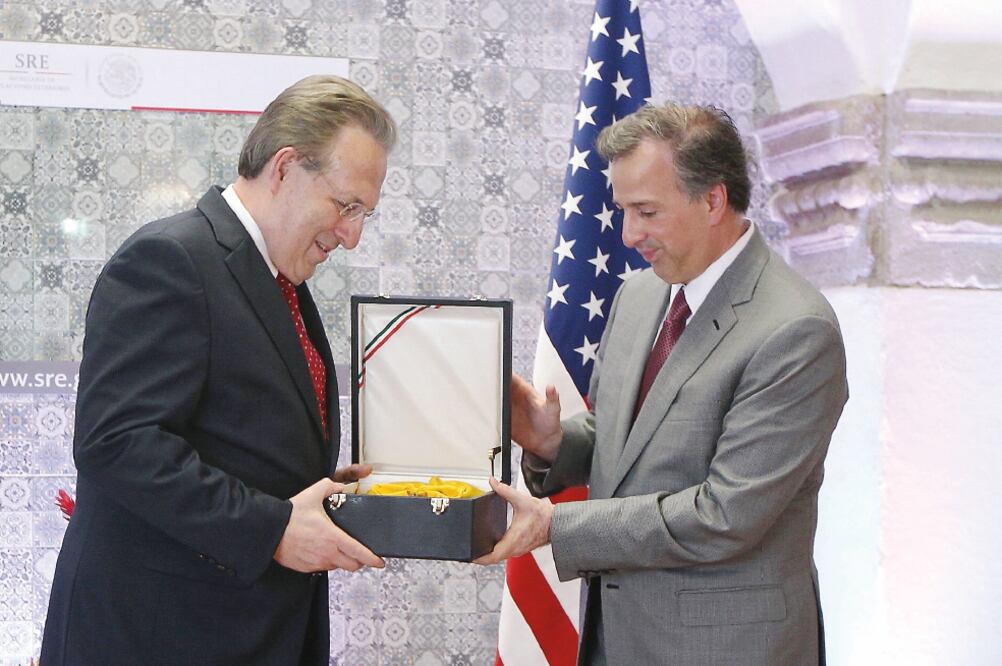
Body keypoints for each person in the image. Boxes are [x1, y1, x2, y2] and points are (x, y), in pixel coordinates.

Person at [40, 75, 396, 665]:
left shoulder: (279, 279)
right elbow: (118, 443)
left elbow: (229, 438)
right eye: (345, 205)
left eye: (365, 214)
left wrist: (329, 489)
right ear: (284, 168)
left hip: (246, 631)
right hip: (158, 639)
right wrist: (274, 527)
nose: (352, 236)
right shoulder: (170, 260)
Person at [477, 104, 848, 665]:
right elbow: (629, 438)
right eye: (623, 210)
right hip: (617, 639)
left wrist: (557, 525)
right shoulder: (640, 294)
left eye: (646, 211)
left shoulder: (795, 330)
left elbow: (725, 515)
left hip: (728, 648)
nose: (629, 235)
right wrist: (555, 443)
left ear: (713, 200)